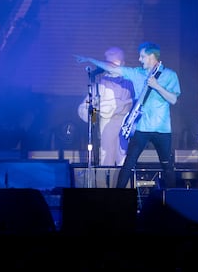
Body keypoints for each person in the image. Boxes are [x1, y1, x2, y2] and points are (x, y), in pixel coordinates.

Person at [75, 41, 181, 189]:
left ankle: (173, 200)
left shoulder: (170, 75)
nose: (140, 59)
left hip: (162, 128)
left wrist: (157, 86)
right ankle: (119, 196)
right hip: (141, 127)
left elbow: (173, 99)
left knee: (167, 165)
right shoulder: (137, 73)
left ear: (151, 56)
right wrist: (89, 59)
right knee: (128, 163)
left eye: (142, 56)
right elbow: (113, 68)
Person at [77, 47, 134, 167]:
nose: (111, 67)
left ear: (122, 64)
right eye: (109, 64)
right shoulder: (98, 85)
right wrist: (93, 117)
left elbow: (136, 103)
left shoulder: (131, 83)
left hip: (124, 126)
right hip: (106, 127)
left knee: (123, 159)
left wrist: (122, 106)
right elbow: (86, 108)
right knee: (105, 159)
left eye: (115, 64)